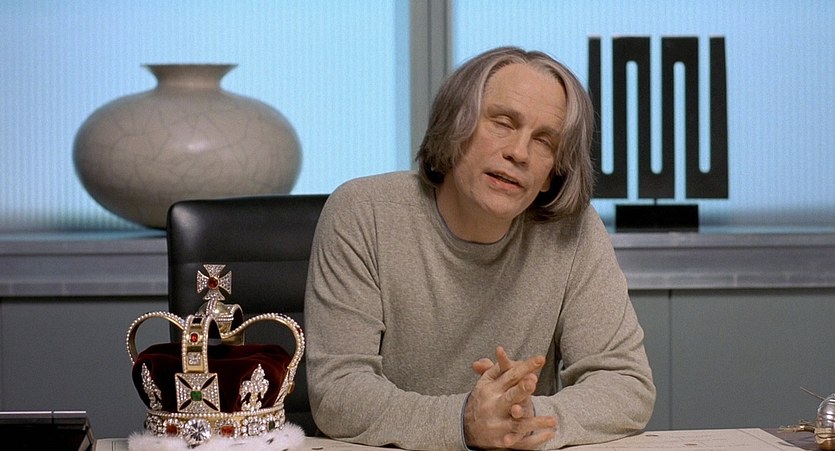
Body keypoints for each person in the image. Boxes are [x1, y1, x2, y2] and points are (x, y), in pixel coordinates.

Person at [304, 46, 655, 450]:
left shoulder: (574, 231)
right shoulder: (363, 212)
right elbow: (339, 391)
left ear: (551, 175)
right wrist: (465, 421)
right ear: (455, 127)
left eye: (544, 141)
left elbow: (626, 383)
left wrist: (525, 419)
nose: (518, 153)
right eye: (503, 123)